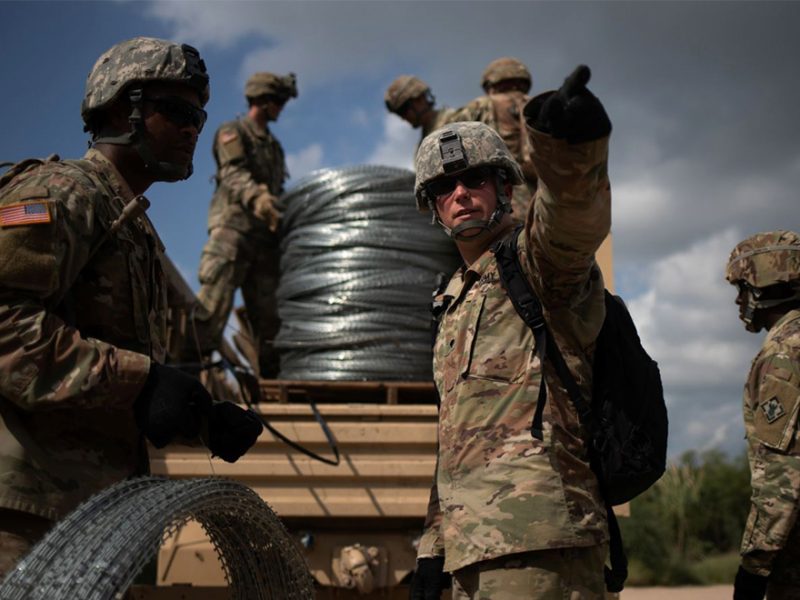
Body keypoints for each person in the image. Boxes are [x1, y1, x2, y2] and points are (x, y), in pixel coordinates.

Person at [0, 37, 261, 577]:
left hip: (95, 519)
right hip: (27, 517)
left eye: (200, 116)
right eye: (177, 112)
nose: (193, 128)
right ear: (124, 109)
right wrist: (142, 382)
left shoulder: (132, 225)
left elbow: (112, 369)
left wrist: (199, 418)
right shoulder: (63, 193)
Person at [410, 65, 613, 599]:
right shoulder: (453, 300)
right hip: (469, 553)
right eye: (443, 186)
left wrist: (571, 151)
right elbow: (454, 441)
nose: (460, 193)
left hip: (541, 548)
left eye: (475, 178)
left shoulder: (538, 263)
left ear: (505, 185)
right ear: (432, 206)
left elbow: (572, 217)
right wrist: (433, 550)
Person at [195, 71, 297, 379]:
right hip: (233, 231)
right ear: (263, 101)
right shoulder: (233, 131)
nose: (281, 107)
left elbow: (279, 191)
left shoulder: (274, 147)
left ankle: (273, 389)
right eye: (278, 101)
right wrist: (260, 200)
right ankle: (186, 372)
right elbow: (233, 174)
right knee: (212, 309)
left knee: (270, 322)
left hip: (265, 242)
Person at [725, 231, 800, 600]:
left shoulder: (784, 356)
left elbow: (783, 478)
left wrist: (753, 569)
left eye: (744, 288)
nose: (739, 300)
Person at [451, 57, 538, 220]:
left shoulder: (482, 105)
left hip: (498, 199)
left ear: (491, 82)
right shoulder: (537, 105)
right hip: (541, 202)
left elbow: (448, 138)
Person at [384, 75, 457, 148]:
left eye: (403, 110)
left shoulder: (459, 118)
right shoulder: (421, 146)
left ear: (419, 98)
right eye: (399, 113)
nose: (403, 117)